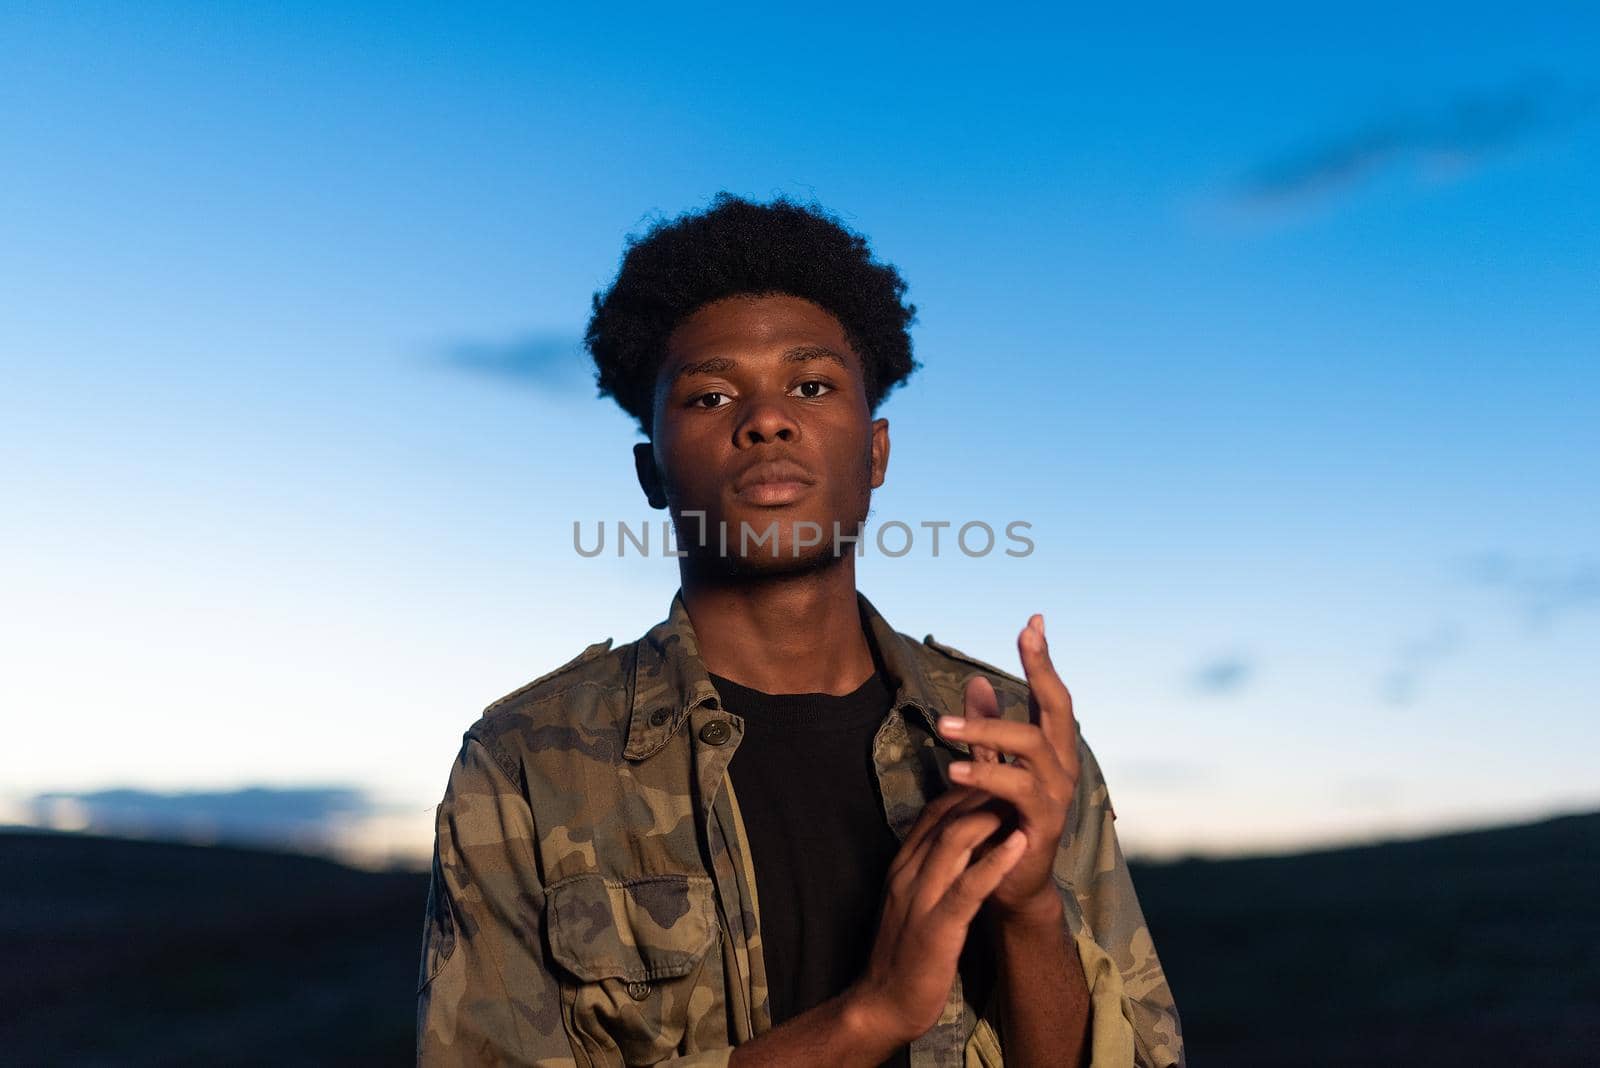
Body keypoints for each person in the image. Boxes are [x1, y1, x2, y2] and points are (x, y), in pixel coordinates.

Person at [416, 193, 1185, 1067]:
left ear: (877, 452)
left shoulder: (1013, 744)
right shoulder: (528, 759)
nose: (766, 419)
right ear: (651, 473)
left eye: (812, 386)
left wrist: (1030, 911)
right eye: (710, 395)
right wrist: (868, 1017)